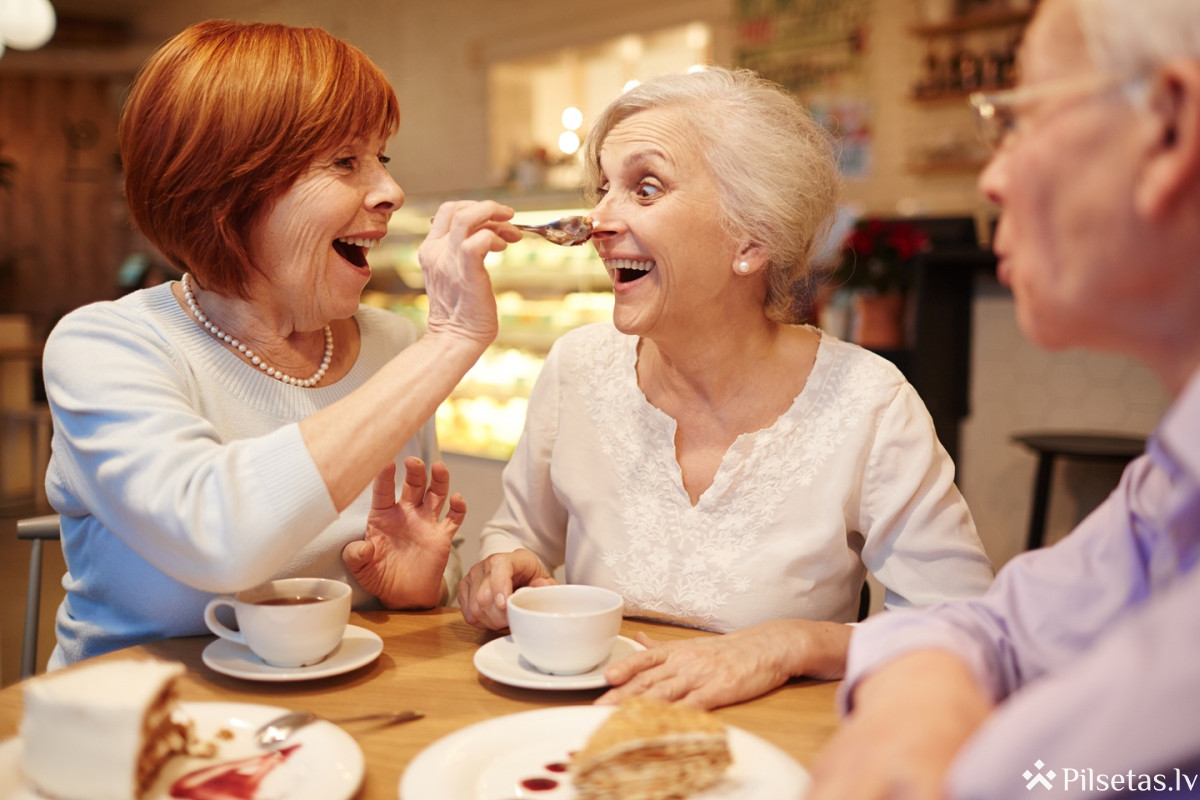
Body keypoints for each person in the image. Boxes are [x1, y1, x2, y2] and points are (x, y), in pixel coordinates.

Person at [457, 66, 994, 710]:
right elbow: (516, 533)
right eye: (602, 189)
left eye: (645, 188)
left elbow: (965, 627)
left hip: (778, 742)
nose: (597, 220)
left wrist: (792, 644)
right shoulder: (577, 366)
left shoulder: (868, 402)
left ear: (751, 238)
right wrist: (502, 570)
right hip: (592, 725)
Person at [40, 20, 520, 668]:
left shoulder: (392, 343)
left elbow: (417, 572)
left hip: (337, 713)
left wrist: (416, 588)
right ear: (227, 188)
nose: (391, 191)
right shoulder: (105, 346)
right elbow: (218, 535)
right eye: (345, 161)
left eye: (381, 158)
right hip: (140, 716)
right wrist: (453, 339)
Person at [809, 1, 1200, 797]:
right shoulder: (1171, 481)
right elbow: (1000, 623)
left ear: (1168, 129)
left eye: (1018, 120)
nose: (990, 177)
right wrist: (926, 687)